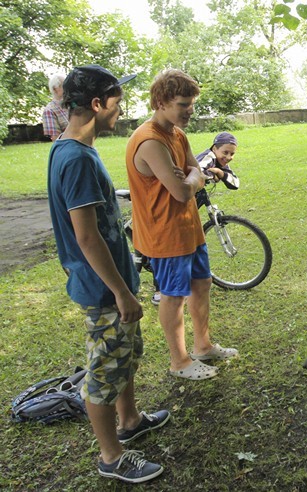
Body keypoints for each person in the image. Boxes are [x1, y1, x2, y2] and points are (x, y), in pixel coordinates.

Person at [47, 64, 170, 484]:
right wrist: (120, 291)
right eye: (117, 99)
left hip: (113, 284)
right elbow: (85, 237)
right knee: (104, 371)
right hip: (103, 290)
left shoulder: (72, 149)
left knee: (123, 357)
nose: (122, 107)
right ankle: (111, 456)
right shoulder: (76, 159)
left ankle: (130, 420)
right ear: (97, 104)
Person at [125, 69, 238, 381]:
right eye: (183, 104)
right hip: (165, 235)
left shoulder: (177, 133)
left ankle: (203, 346)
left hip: (189, 229)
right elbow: (182, 190)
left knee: (201, 284)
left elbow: (195, 174)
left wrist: (190, 176)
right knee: (173, 296)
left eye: (192, 104)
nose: (190, 110)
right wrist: (191, 178)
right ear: (161, 102)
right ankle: (179, 361)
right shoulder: (149, 141)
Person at [150, 131, 241, 305]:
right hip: (174, 200)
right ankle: (159, 290)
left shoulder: (219, 162)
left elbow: (235, 182)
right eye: (225, 152)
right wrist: (210, 174)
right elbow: (197, 171)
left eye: (232, 154)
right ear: (215, 148)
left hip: (187, 199)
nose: (228, 157)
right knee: (168, 242)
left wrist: (221, 174)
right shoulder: (208, 157)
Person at [42, 74, 69, 141]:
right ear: (55, 89)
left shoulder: (72, 104)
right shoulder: (49, 111)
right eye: (64, 85)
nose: (68, 88)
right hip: (67, 147)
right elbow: (56, 140)